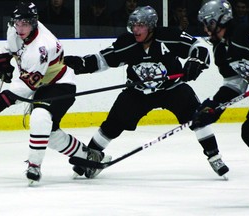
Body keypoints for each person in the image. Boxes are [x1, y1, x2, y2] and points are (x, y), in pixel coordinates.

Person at [64, 6, 230, 178]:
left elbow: (198, 48)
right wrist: (81, 64)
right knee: (113, 123)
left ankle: (214, 156)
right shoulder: (127, 43)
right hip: (138, 92)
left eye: (141, 25)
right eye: (133, 25)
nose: (136, 30)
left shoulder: (170, 37)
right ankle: (91, 156)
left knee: (198, 116)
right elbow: (102, 60)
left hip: (172, 89)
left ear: (151, 26)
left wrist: (195, 61)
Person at [0, 1, 110, 184]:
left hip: (60, 84)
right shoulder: (15, 28)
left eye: (25, 23)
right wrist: (2, 61)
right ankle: (89, 157)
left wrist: (2, 100)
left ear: (34, 22)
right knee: (48, 135)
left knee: (40, 117)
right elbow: (10, 47)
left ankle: (34, 166)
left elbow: (27, 86)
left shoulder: (42, 46)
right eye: (17, 23)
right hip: (42, 85)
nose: (20, 28)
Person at [196, 0, 249, 208]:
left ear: (219, 20)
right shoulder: (221, 50)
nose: (204, 28)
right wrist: (215, 106)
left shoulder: (243, 33)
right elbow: (235, 83)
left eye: (207, 23)